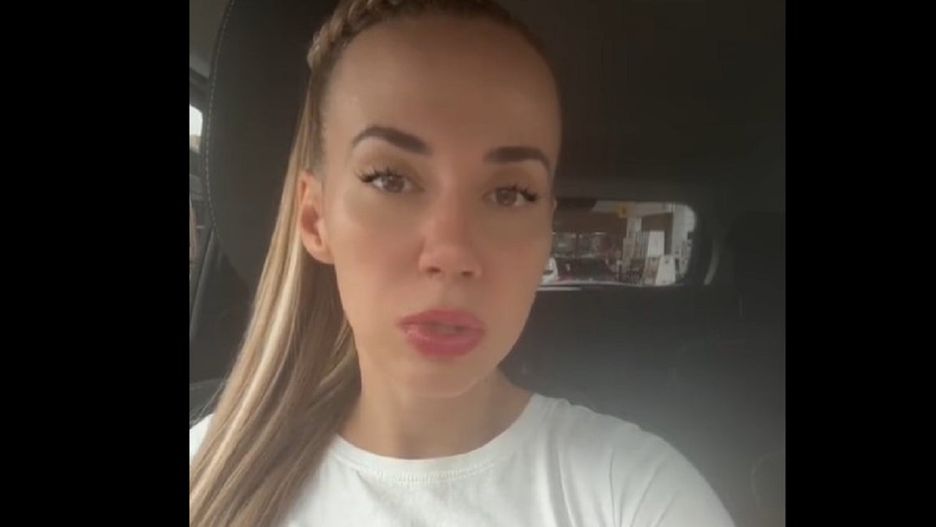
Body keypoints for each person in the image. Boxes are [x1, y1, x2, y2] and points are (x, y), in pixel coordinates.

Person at [189, 1, 735, 525]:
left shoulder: (637, 497)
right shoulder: (207, 473)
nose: (451, 253)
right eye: (391, 180)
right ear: (315, 221)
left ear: (546, 233)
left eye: (509, 194)